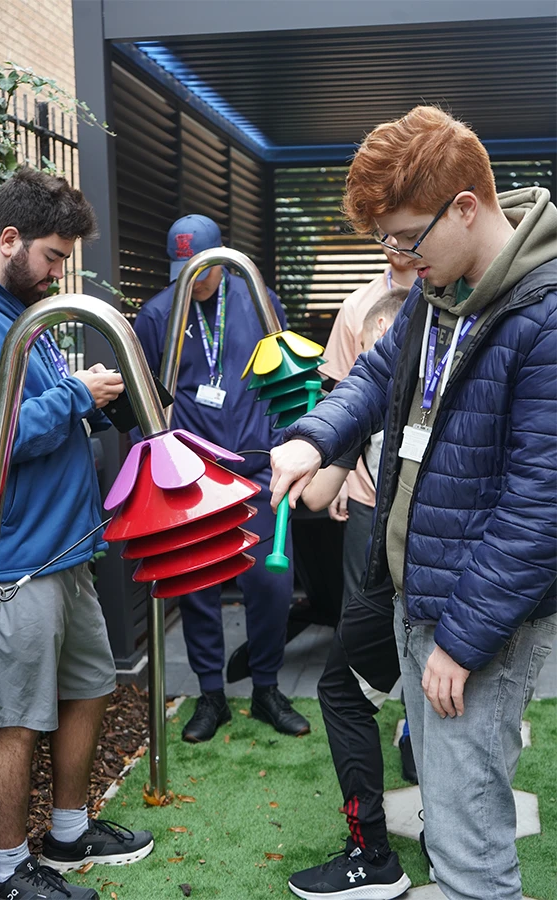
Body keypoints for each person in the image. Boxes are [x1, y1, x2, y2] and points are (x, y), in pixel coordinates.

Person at [270, 106, 556, 900]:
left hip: (475, 620)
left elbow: (540, 510)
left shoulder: (545, 314)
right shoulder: (443, 290)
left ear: (466, 206)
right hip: (415, 593)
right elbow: (371, 380)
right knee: (449, 812)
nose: (396, 259)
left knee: (470, 854)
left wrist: (461, 643)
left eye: (405, 237)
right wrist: (310, 441)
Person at [0, 169, 154, 900]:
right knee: (10, 723)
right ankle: (7, 873)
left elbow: (42, 407)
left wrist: (95, 407)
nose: (58, 273)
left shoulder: (18, 309)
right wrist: (76, 393)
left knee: (91, 687)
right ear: (8, 239)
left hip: (66, 551)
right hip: (12, 563)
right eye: (53, 256)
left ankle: (68, 831)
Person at [133, 214, 310, 742]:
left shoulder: (257, 299)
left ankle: (266, 688)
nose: (194, 279)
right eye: (183, 270)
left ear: (220, 257)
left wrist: (293, 446)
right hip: (192, 477)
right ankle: (211, 696)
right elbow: (145, 400)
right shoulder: (158, 313)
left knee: (271, 584)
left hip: (258, 469)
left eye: (202, 269)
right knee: (198, 590)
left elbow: (285, 374)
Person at [287, 289, 413, 900]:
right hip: (383, 555)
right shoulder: (368, 414)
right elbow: (313, 494)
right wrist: (313, 450)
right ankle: (380, 848)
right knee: (349, 688)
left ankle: (379, 854)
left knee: (357, 692)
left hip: (426, 568)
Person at [320, 248, 415, 605]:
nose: (395, 241)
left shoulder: (452, 297)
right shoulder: (356, 305)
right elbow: (341, 393)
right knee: (359, 598)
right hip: (364, 485)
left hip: (418, 494)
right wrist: (338, 474)